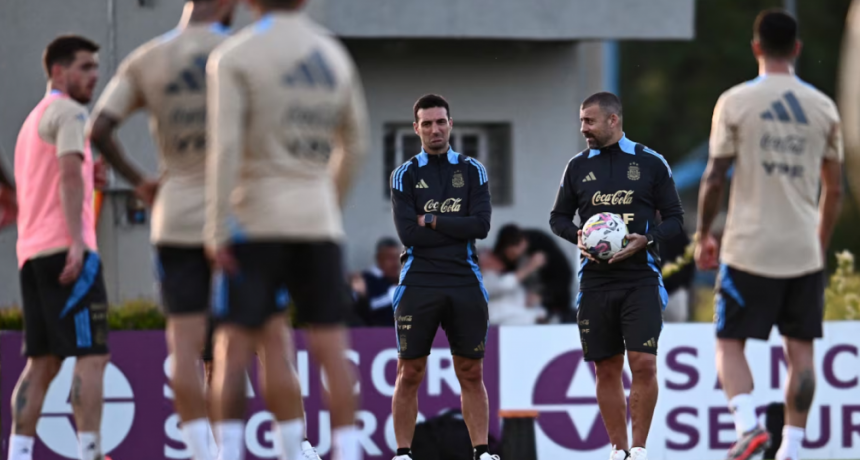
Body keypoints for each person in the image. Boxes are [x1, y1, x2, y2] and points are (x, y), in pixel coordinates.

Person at [204, 0, 369, 458]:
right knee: (331, 346)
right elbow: (355, 144)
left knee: (234, 347)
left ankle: (230, 452)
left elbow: (225, 148)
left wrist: (216, 226)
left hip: (255, 220)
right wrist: (325, 203)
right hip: (317, 219)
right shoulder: (333, 53)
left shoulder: (235, 55)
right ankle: (347, 449)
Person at [695, 9, 844, 460]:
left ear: (756, 47)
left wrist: (704, 233)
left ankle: (748, 426)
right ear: (796, 49)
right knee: (801, 353)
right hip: (802, 249)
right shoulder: (822, 107)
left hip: (748, 247)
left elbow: (715, 176)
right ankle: (791, 450)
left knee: (728, 342)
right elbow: (834, 189)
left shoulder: (736, 101)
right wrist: (816, 243)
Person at [549, 92, 684, 460]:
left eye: (589, 121)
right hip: (595, 280)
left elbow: (674, 219)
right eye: (581, 122)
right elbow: (557, 218)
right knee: (606, 368)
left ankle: (639, 449)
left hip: (641, 277)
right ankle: (618, 450)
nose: (583, 129)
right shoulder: (577, 167)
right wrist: (576, 236)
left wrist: (647, 239)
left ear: (613, 120)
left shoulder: (651, 162)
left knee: (643, 362)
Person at [9, 35, 109, 460]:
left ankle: (18, 453)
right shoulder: (70, 112)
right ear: (58, 71)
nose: (93, 74)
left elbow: (59, 180)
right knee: (92, 356)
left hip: (30, 254)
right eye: (84, 67)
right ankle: (89, 452)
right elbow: (68, 177)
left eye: (94, 67)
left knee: (43, 362)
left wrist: (90, 178)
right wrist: (75, 242)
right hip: (67, 252)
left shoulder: (33, 120)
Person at [389, 94, 497, 460]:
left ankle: (481, 452)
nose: (435, 129)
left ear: (451, 124)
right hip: (418, 282)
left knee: (470, 371)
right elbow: (409, 235)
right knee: (410, 372)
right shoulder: (404, 174)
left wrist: (432, 219)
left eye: (441, 122)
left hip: (464, 280)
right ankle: (403, 453)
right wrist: (456, 226)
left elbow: (480, 226)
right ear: (416, 128)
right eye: (427, 123)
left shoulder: (472, 170)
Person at [480, 225, 547, 326]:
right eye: (516, 251)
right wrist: (530, 267)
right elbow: (501, 286)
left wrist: (532, 299)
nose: (519, 255)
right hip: (499, 326)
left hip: (524, 320)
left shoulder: (511, 269)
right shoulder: (484, 271)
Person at [352, 237, 402, 327]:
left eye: (397, 257)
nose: (396, 263)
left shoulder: (402, 279)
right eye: (390, 258)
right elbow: (369, 307)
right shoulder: (367, 280)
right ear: (379, 259)